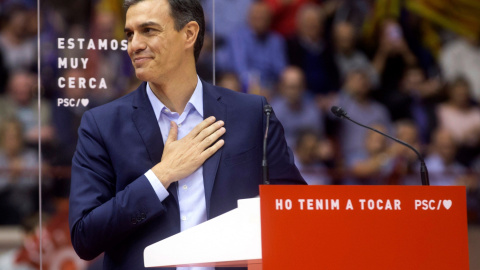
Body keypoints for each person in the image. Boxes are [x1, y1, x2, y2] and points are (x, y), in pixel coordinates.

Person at [68, 1, 305, 270]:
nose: (133, 45)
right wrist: (161, 176)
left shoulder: (252, 114)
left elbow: (293, 211)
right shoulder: (101, 124)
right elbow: (85, 237)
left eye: (148, 30)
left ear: (189, 34)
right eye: (129, 34)